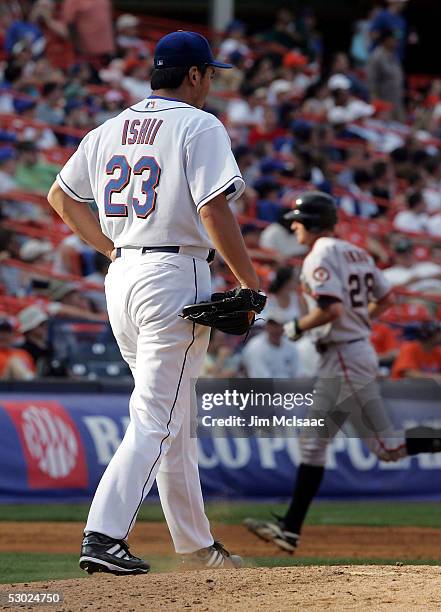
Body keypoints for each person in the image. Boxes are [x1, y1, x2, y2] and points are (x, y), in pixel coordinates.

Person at [47, 31, 263, 574]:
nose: (211, 82)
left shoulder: (110, 127)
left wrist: (109, 247)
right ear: (193, 75)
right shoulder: (199, 124)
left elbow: (60, 197)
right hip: (173, 273)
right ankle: (103, 535)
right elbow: (215, 210)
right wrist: (250, 281)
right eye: (210, 73)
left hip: (123, 276)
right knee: (157, 418)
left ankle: (195, 547)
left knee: (173, 415)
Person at [244, 191, 441, 553]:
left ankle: (290, 528)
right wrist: (358, 319)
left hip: (346, 357)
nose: (295, 227)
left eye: (299, 221)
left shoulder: (319, 254)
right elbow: (388, 299)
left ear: (314, 223)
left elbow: (331, 311)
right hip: (349, 352)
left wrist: (298, 327)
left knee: (385, 446)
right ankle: (289, 529)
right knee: (319, 444)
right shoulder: (359, 252)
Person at [241, 313, 299, 379]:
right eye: (271, 325)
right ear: (266, 326)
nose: (274, 329)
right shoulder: (255, 347)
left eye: (278, 325)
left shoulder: (291, 346)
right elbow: (262, 380)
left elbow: (298, 373)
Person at [366, 29, 404, 121]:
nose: (396, 42)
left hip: (396, 103)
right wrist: (377, 106)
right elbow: (371, 83)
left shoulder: (393, 55)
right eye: (394, 39)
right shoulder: (377, 56)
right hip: (383, 105)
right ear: (387, 40)